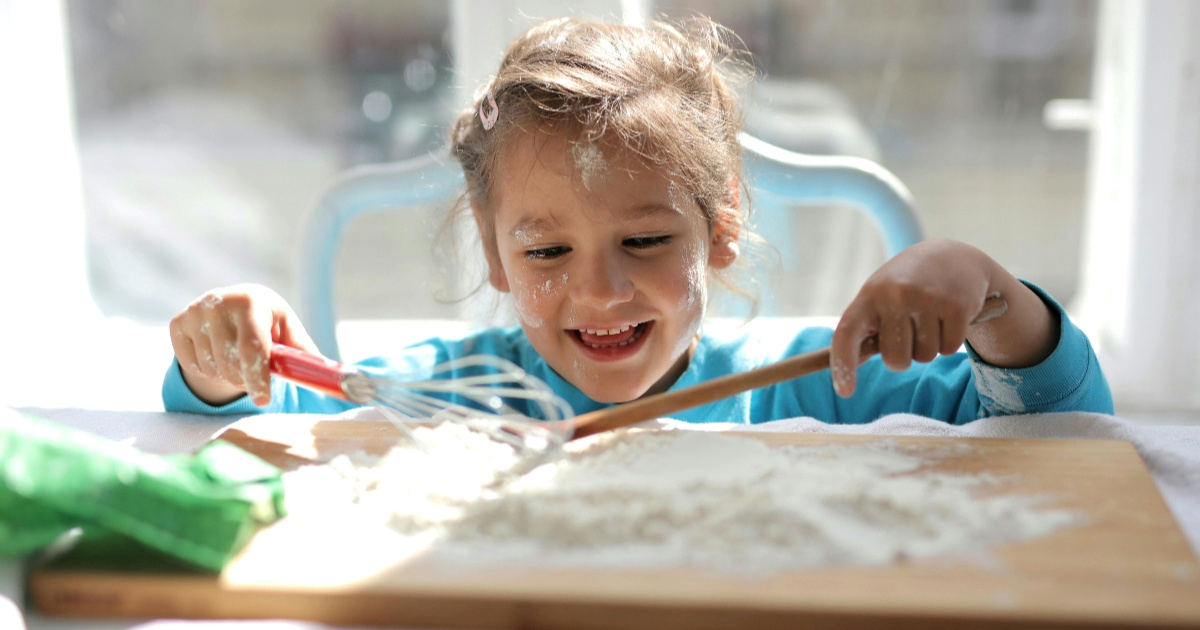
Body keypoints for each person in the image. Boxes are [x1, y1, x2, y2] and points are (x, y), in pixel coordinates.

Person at [163, 17, 1112, 424]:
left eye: (647, 240)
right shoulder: (455, 402)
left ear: (723, 226)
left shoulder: (824, 386)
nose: (600, 288)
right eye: (544, 249)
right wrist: (227, 353)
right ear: (494, 256)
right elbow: (275, 413)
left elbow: (1058, 427)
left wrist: (986, 288)